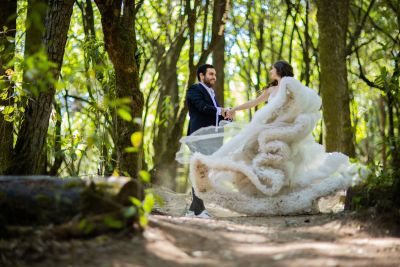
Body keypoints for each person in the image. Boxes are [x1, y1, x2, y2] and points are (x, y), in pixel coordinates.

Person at [178, 60, 362, 216]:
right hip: (266, 130)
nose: (270, 71)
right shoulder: (271, 89)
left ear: (279, 70)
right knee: (250, 155)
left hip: (282, 130)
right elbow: (254, 103)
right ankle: (266, 194)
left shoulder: (290, 85)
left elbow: (297, 106)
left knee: (286, 165)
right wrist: (233, 110)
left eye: (272, 68)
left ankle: (285, 196)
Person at [185, 64, 229, 218]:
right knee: (200, 171)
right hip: (199, 137)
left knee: (204, 172)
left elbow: (213, 116)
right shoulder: (194, 89)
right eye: (210, 74)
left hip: (211, 139)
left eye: (215, 74)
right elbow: (202, 107)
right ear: (201, 76)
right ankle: (199, 210)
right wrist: (220, 110)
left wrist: (226, 117)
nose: (214, 77)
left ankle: (192, 209)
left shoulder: (212, 93)